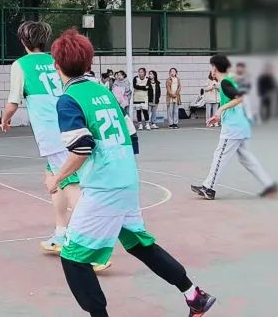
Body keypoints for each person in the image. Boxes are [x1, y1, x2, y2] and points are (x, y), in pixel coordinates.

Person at [48, 28, 217, 317]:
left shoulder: (69, 99)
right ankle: (194, 295)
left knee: (73, 258)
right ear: (89, 62)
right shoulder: (104, 92)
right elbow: (132, 134)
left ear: (56, 65)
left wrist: (58, 178)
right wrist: (119, 165)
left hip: (104, 188)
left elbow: (82, 147)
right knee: (140, 244)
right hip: (126, 180)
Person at [2, 22, 111, 273]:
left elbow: (13, 101)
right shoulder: (56, 60)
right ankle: (61, 234)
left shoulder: (20, 65)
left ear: (23, 42)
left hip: (54, 133)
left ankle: (94, 247)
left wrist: (5, 119)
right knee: (54, 178)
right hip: (69, 123)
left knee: (72, 186)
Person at [191, 55, 278, 201]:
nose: (211, 69)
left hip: (233, 128)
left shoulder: (225, 82)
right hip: (240, 126)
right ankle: (269, 185)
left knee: (219, 156)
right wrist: (220, 113)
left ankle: (209, 188)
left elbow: (239, 98)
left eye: (211, 66)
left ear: (214, 68)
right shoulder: (228, 81)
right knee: (246, 158)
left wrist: (220, 110)